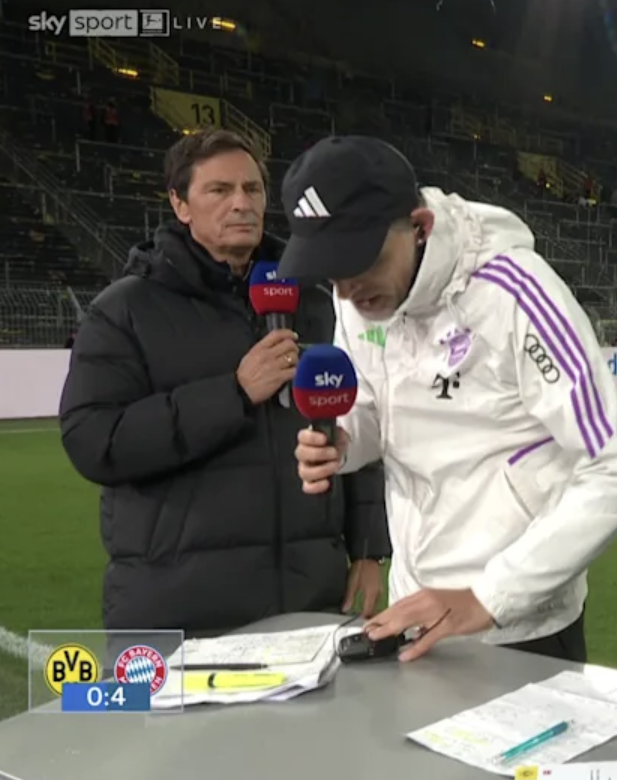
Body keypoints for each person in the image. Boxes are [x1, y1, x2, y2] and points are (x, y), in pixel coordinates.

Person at [287, 136, 617, 663]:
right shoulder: (358, 297)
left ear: (419, 227)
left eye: (358, 260)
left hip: (520, 627)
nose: (345, 292)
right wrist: (344, 443)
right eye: (330, 270)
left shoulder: (516, 293)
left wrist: (490, 596)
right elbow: (370, 410)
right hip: (415, 612)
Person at [59, 129, 390, 636]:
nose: (241, 203)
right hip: (178, 610)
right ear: (180, 203)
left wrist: (368, 548)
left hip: (309, 603)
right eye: (219, 190)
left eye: (252, 189)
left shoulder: (317, 302)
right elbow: (93, 441)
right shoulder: (125, 310)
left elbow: (355, 421)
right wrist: (233, 393)